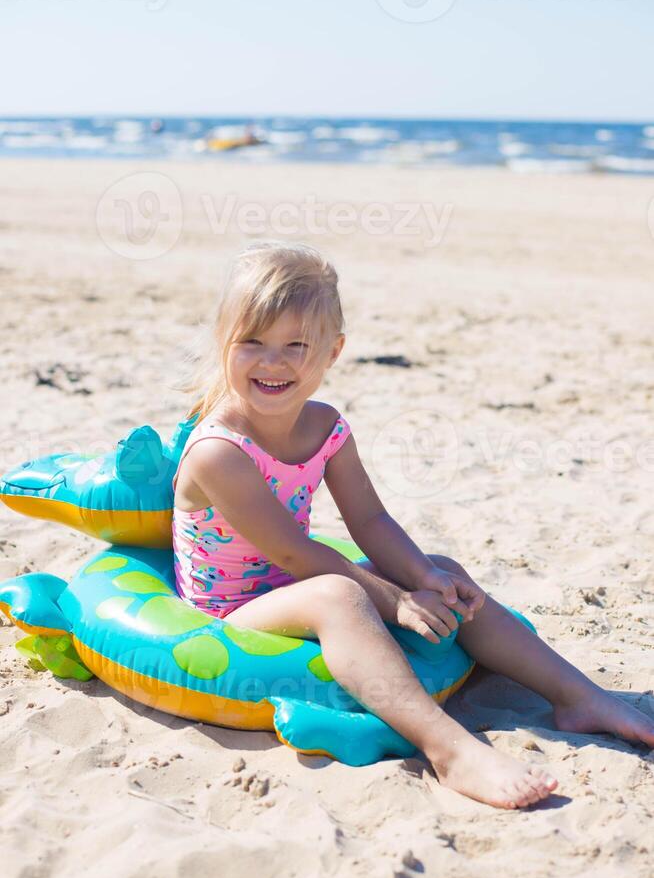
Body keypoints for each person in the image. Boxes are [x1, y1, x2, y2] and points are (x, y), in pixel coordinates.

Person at [172, 241, 654, 810]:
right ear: (224, 344)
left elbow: (370, 519)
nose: (272, 362)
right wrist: (396, 601)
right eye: (252, 342)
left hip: (293, 582)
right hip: (232, 604)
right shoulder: (219, 452)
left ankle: (580, 697)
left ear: (332, 353)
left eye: (295, 345)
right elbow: (297, 555)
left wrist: (422, 576)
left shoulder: (326, 427)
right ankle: (449, 749)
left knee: (444, 571)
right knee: (337, 595)